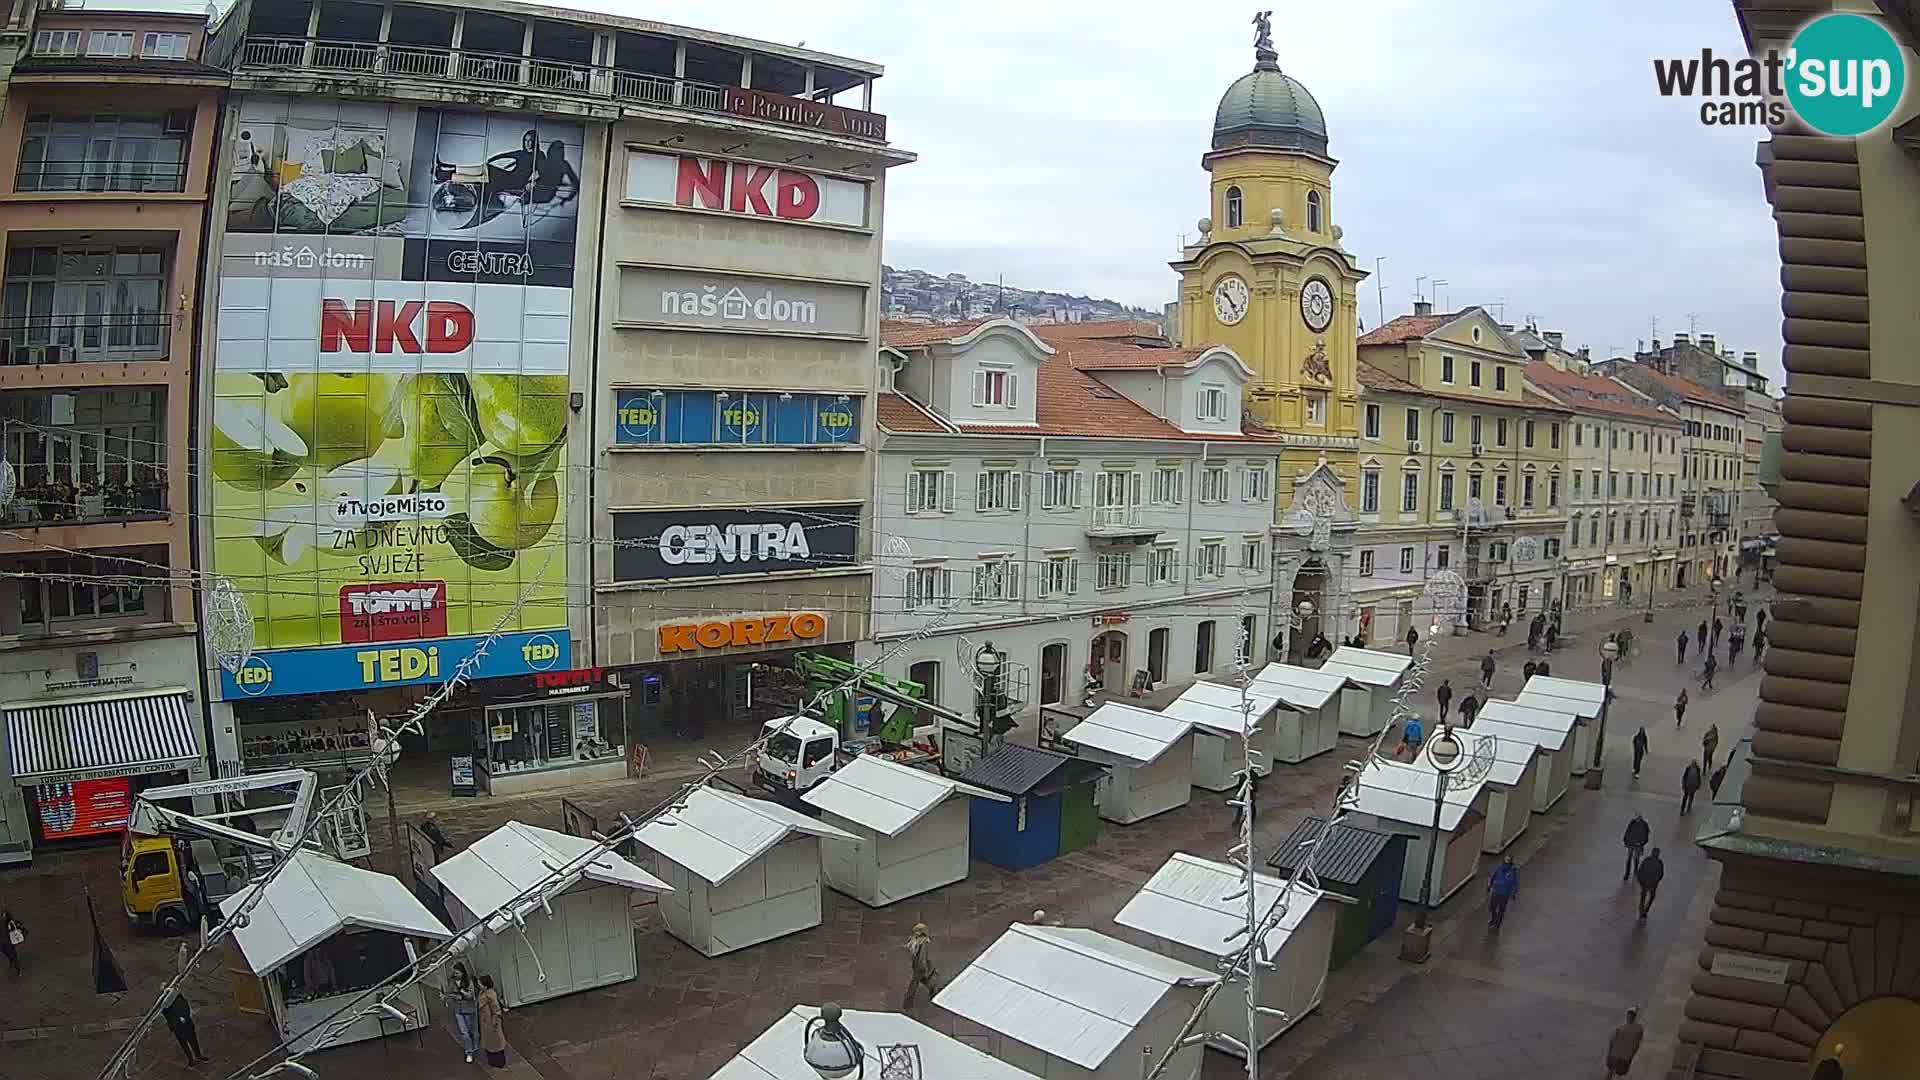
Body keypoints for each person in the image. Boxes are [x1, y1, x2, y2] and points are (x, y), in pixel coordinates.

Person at [444, 962, 481, 1063]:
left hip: (469, 1009)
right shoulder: (452, 981)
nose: (455, 975)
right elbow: (449, 992)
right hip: (458, 1010)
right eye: (454, 973)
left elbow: (471, 996)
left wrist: (462, 993)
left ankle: (475, 1047)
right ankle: (469, 1052)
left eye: (457, 973)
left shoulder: (469, 981)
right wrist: (450, 997)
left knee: (472, 1031)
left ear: (462, 973)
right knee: (464, 1032)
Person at [163, 991, 209, 1065]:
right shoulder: (165, 1004)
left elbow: (186, 1006)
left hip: (187, 1023)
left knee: (193, 1040)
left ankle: (198, 1056)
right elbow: (168, 1016)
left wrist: (184, 1016)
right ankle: (191, 1059)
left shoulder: (178, 997)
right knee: (184, 1044)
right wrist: (178, 1019)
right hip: (177, 1026)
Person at [902, 923, 940, 1008]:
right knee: (915, 984)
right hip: (921, 967)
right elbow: (922, 958)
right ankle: (907, 1003)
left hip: (918, 966)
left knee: (922, 981)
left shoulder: (914, 942)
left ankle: (932, 991)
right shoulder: (923, 944)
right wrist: (924, 968)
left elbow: (913, 954)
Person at [478, 973, 508, 1068]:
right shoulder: (483, 993)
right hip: (486, 1024)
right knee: (490, 1044)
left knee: (496, 1045)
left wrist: (493, 1023)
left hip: (491, 1024)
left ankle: (499, 1062)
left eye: (480, 983)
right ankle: (492, 1061)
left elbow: (496, 1011)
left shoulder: (490, 995)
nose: (478, 985)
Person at [1606, 1008, 1645, 1077]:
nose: (1628, 1017)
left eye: (1629, 1016)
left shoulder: (1621, 1027)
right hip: (1622, 1056)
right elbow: (1637, 1044)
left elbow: (1612, 1041)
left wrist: (1609, 1052)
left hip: (1619, 1055)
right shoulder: (1638, 1029)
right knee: (1616, 1073)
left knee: (1613, 1072)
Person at [1487, 855, 1519, 929]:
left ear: (1511, 862)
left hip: (1504, 894)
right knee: (1492, 907)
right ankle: (1493, 918)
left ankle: (1497, 924)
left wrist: (1514, 892)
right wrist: (1489, 885)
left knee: (1501, 910)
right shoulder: (1499, 867)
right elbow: (1493, 876)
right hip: (1496, 891)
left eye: (1508, 861)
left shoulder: (1513, 871)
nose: (1506, 863)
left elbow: (1515, 883)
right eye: (1505, 860)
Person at [1635, 847, 1666, 919]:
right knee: (1651, 897)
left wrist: (1641, 881)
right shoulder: (1659, 862)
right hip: (1652, 883)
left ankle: (1642, 910)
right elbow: (1661, 874)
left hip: (1645, 883)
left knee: (1643, 897)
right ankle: (1645, 910)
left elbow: (1640, 871)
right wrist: (1656, 881)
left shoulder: (1646, 860)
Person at [1622, 813, 1651, 881]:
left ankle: (1635, 871)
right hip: (1631, 844)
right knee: (1629, 859)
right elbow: (1627, 832)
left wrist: (1641, 843)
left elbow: (1646, 836)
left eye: (1638, 818)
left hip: (1638, 845)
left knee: (1636, 859)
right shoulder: (1632, 823)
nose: (1637, 819)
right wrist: (1626, 841)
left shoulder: (1644, 825)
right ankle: (1627, 873)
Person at [1, 909, 22, 975]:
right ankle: (13, 961)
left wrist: (11, 925)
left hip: (6, 941)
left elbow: (16, 924)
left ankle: (17, 968)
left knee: (12, 954)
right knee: (9, 953)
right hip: (4, 942)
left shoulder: (7, 920)